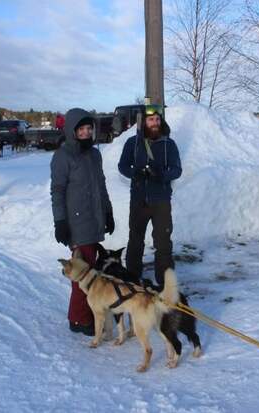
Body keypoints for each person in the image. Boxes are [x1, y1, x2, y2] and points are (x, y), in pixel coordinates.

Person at [50, 108, 114, 336]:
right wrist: (60, 221)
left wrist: (108, 212)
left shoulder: (94, 155)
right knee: (82, 272)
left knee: (89, 269)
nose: (86, 132)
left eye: (89, 128)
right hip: (76, 223)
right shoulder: (63, 156)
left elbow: (101, 185)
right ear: (72, 131)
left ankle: (83, 314)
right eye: (82, 129)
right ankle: (78, 319)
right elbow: (57, 191)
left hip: (93, 218)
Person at [118, 104, 181, 287]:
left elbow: (177, 170)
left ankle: (165, 284)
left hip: (161, 201)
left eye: (158, 119)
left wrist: (161, 175)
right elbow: (122, 166)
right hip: (138, 200)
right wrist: (135, 173)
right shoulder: (133, 143)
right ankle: (132, 280)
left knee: (163, 243)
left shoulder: (169, 144)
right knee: (135, 240)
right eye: (151, 119)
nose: (155, 123)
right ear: (144, 122)